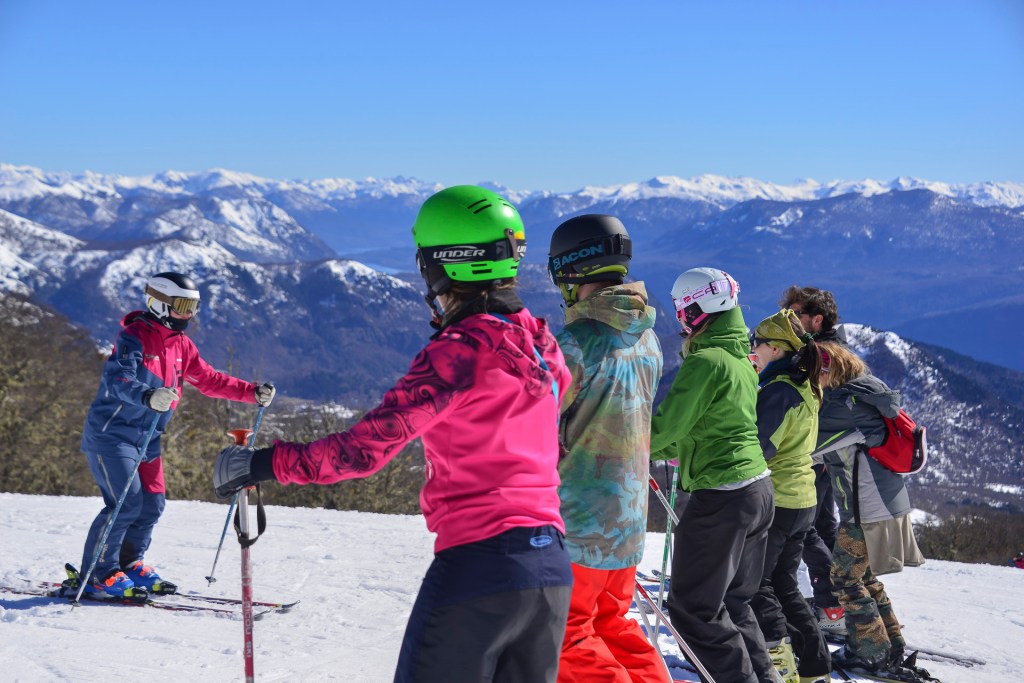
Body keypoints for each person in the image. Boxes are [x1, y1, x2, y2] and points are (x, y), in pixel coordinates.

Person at [214, 185, 574, 683]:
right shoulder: (542, 344)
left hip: (480, 567)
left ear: (443, 263)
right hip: (551, 571)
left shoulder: (458, 353)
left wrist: (262, 463)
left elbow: (362, 451)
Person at [78, 271, 275, 598]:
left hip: (148, 439)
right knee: (125, 503)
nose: (189, 315)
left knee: (152, 504)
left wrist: (251, 392)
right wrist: (147, 395)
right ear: (158, 303)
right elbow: (118, 378)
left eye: (193, 307)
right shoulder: (134, 337)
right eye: (182, 306)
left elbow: (210, 380)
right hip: (112, 435)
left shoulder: (182, 344)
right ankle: (101, 573)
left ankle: (129, 564)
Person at [546, 215, 667, 683]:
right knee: (612, 625)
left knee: (564, 634)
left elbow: (534, 424)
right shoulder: (647, 337)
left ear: (569, 271)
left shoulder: (575, 345)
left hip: (580, 521)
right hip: (628, 521)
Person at [650, 267, 777, 683]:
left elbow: (665, 428)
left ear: (702, 308)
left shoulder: (706, 361)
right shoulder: (740, 358)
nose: (681, 320)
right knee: (734, 603)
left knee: (693, 609)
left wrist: (613, 448)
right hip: (757, 489)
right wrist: (658, 452)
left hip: (723, 497)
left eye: (684, 311)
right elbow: (699, 430)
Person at [813, 342, 928, 679]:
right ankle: (888, 645)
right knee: (862, 577)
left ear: (829, 369)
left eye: (815, 370)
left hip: (867, 507)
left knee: (844, 578)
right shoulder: (860, 396)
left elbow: (807, 445)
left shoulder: (843, 405)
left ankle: (870, 653)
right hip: (884, 502)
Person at [749, 310, 831, 683]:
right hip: (803, 498)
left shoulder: (779, 391)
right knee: (783, 583)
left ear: (777, 349)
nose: (754, 350)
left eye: (759, 344)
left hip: (779, 499)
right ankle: (815, 666)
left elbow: (760, 447)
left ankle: (778, 658)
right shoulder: (805, 385)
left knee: (757, 584)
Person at [780, 285, 846, 635]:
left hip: (812, 454)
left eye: (796, 315)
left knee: (803, 529)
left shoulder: (819, 356)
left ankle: (830, 604)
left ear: (816, 319)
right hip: (827, 454)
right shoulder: (836, 350)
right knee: (822, 526)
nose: (790, 320)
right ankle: (837, 604)